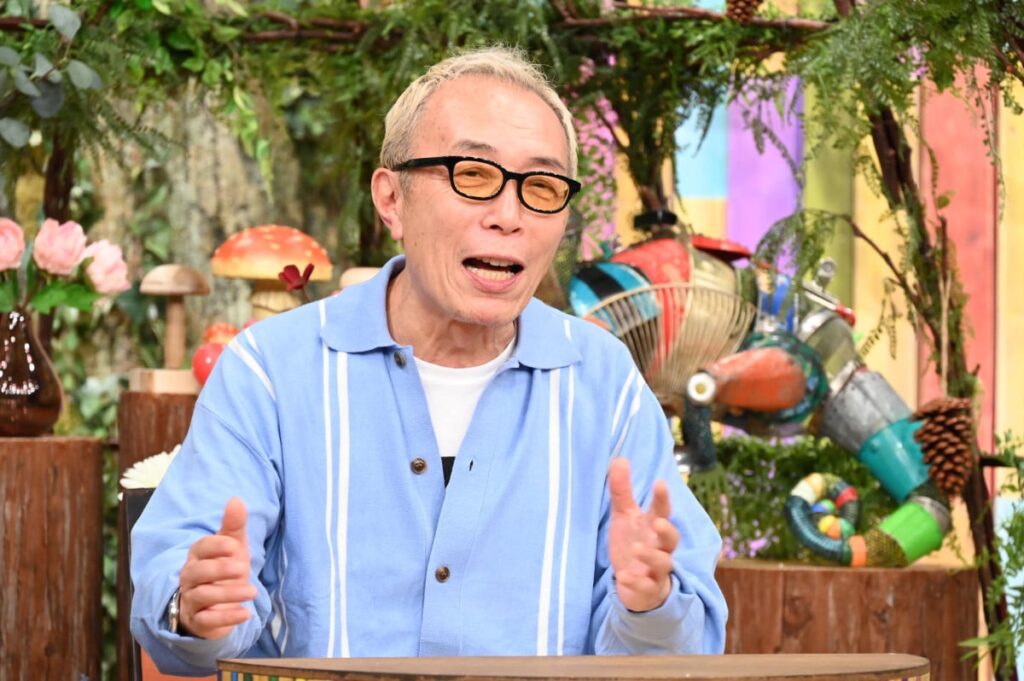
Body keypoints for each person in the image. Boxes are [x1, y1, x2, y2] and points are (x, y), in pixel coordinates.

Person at [130, 46, 727, 676]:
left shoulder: (605, 383)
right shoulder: (272, 371)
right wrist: (198, 608)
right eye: (473, 175)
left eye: (542, 187)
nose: (508, 216)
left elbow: (679, 646)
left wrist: (649, 605)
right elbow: (178, 600)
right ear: (392, 199)